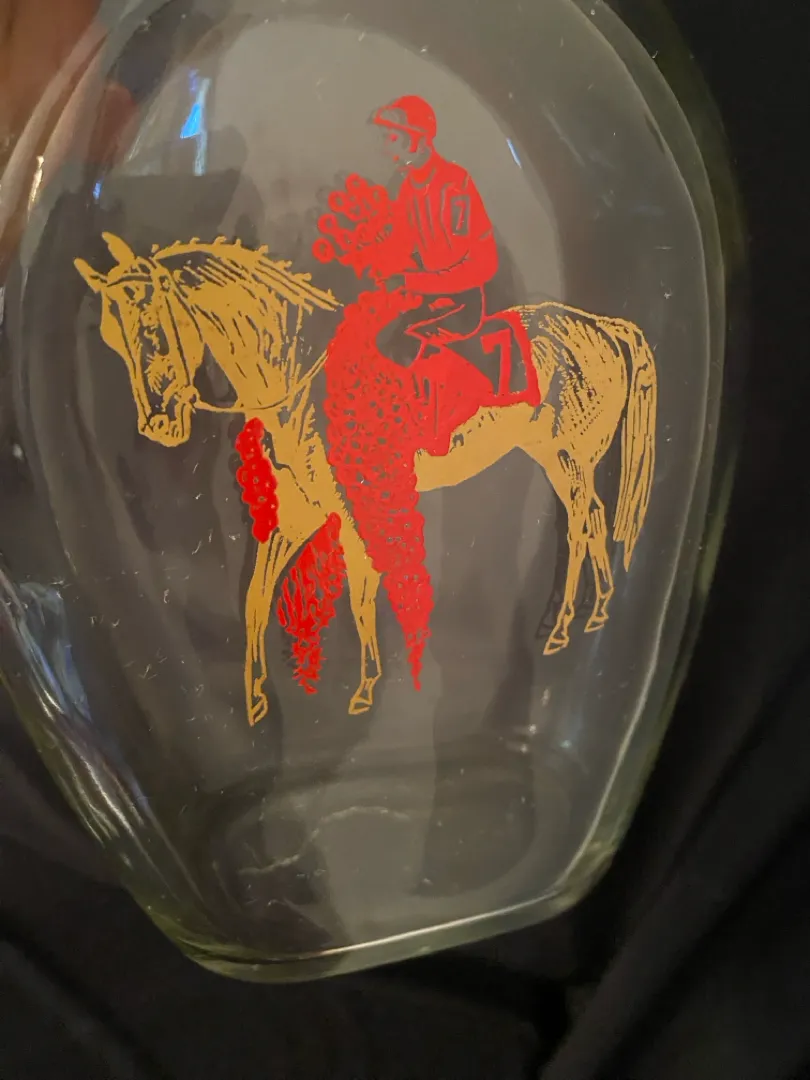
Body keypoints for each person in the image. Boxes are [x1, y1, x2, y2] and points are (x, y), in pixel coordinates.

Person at [369, 94, 499, 364]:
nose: (384, 148)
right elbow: (401, 244)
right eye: (382, 138)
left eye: (390, 138)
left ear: (415, 139)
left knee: (399, 348)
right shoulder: (407, 187)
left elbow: (479, 265)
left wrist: (410, 281)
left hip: (461, 304)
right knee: (373, 334)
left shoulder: (454, 185)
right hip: (428, 295)